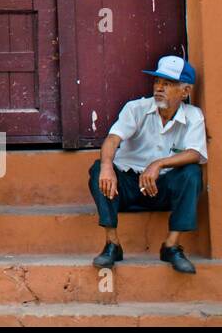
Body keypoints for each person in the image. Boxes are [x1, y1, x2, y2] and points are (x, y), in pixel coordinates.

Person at [88, 55, 207, 274]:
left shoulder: (193, 116)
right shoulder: (136, 108)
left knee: (192, 173)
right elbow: (113, 139)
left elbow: (195, 152)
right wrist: (107, 166)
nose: (159, 88)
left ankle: (171, 246)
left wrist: (159, 164)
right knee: (98, 169)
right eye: (157, 82)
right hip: (128, 187)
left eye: (168, 84)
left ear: (186, 91)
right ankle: (112, 244)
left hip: (162, 189)